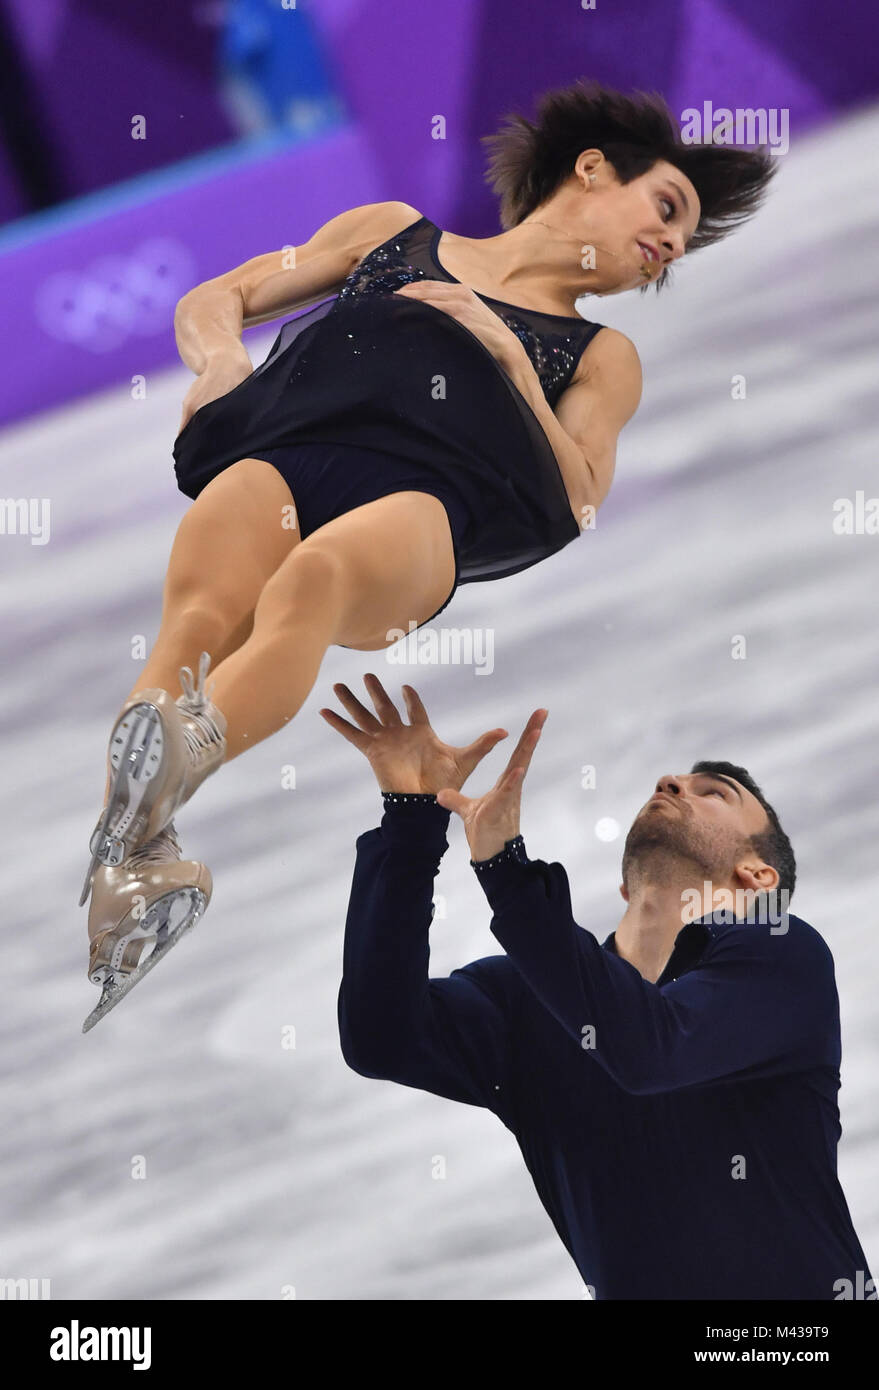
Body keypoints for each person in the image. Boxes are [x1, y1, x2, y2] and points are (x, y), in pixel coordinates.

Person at [80, 79, 777, 1003]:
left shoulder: (601, 355)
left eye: (677, 249)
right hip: (292, 451)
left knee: (311, 582)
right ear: (593, 167)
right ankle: (130, 864)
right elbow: (227, 293)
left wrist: (501, 352)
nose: (667, 247)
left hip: (425, 507)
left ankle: (168, 774)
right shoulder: (392, 232)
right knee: (198, 616)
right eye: (668, 207)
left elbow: (578, 499)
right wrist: (221, 362)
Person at [327, 674, 874, 1300]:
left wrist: (509, 874)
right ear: (626, 889)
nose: (671, 782)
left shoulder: (783, 960)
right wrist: (411, 824)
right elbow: (381, 1038)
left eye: (713, 793)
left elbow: (649, 1051)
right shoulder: (529, 999)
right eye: (673, 780)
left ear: (755, 875)